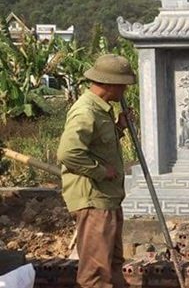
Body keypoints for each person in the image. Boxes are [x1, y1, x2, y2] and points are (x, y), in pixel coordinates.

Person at [57, 54, 136, 288]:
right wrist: (102, 171)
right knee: (96, 271)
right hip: (93, 199)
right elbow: (68, 153)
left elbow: (98, 146)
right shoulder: (85, 111)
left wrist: (119, 128)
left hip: (107, 198)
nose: (124, 91)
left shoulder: (102, 111)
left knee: (112, 264)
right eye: (122, 85)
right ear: (110, 84)